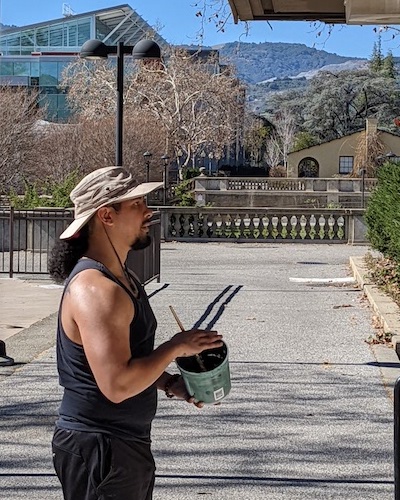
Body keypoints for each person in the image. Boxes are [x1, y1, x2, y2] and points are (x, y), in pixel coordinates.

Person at [48, 166, 223, 500]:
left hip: (124, 445)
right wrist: (174, 347)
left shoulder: (123, 278)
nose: (149, 211)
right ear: (106, 216)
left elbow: (127, 360)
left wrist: (171, 383)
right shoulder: (96, 289)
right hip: (99, 446)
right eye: (137, 204)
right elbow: (116, 385)